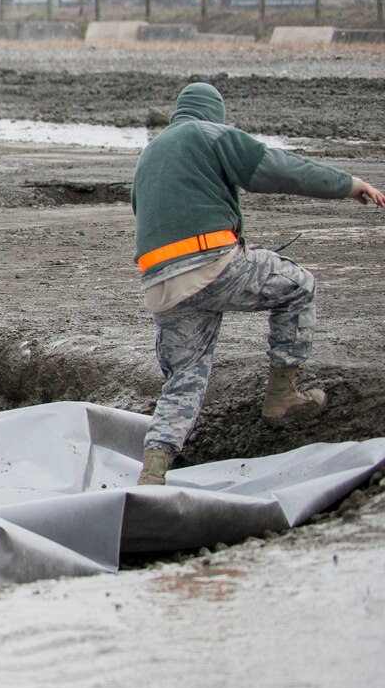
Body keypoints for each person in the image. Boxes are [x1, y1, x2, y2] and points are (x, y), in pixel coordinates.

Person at [130, 81, 384, 485]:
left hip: (161, 283)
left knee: (185, 379)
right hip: (212, 263)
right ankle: (282, 396)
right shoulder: (209, 134)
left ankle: (153, 470)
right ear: (214, 113)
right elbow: (281, 168)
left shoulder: (151, 154)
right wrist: (350, 185)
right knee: (298, 285)